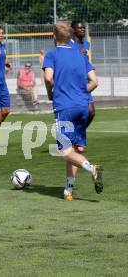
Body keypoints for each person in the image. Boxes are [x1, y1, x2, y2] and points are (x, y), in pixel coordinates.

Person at [42, 21, 103, 201]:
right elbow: (95, 81)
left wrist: (50, 94)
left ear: (54, 37)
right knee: (74, 148)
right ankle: (68, 190)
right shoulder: (80, 54)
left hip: (64, 107)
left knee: (64, 150)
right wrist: (82, 93)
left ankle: (93, 169)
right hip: (83, 106)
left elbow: (48, 77)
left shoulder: (51, 54)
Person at [70, 20, 96, 152]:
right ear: (73, 30)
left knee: (91, 112)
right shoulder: (69, 44)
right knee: (78, 112)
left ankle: (77, 135)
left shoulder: (86, 44)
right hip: (73, 83)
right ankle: (74, 139)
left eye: (83, 28)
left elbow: (85, 61)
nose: (82, 30)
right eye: (79, 28)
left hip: (85, 83)